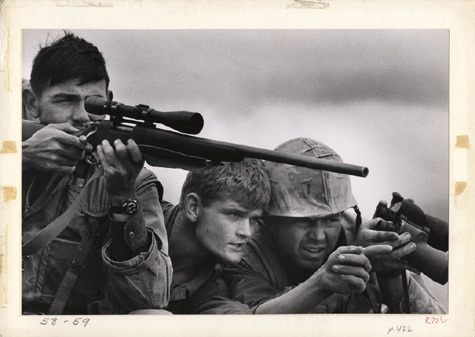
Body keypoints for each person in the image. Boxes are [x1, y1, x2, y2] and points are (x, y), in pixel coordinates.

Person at [21, 32, 172, 314]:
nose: (81, 115)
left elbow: (151, 298)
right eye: (64, 100)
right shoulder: (14, 148)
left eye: (94, 103)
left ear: (109, 102)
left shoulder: (134, 179)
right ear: (32, 104)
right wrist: (20, 158)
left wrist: (123, 196)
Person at [224, 138, 445, 313]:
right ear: (270, 219)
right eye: (304, 221)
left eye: (331, 219)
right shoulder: (243, 253)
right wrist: (345, 273)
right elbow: (263, 321)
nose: (319, 236)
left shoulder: (359, 237)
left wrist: (390, 276)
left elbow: (434, 324)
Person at [159, 158, 271, 314]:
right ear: (194, 207)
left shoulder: (213, 285)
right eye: (234, 214)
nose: (247, 232)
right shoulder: (134, 216)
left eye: (254, 219)